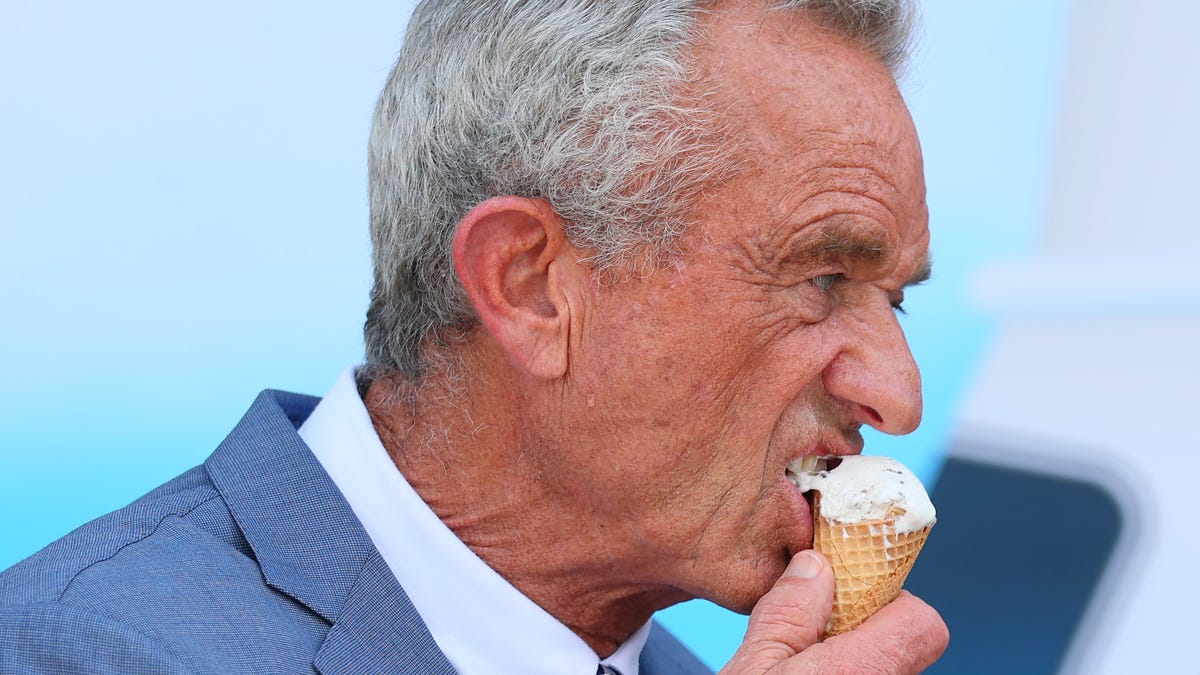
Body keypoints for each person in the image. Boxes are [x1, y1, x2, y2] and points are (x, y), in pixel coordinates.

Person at [0, 0, 949, 672]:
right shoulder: (79, 648)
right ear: (530, 286)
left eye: (895, 300)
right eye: (824, 278)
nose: (898, 394)